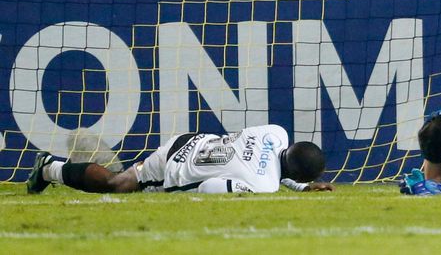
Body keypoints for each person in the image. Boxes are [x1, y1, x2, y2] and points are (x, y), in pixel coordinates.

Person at [26, 124, 333, 194]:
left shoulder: (276, 133)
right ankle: (49, 168)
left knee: (122, 180)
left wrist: (301, 187)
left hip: (192, 141)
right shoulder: (263, 185)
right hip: (178, 166)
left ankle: (51, 166)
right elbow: (207, 189)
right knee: (117, 184)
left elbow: (271, 164)